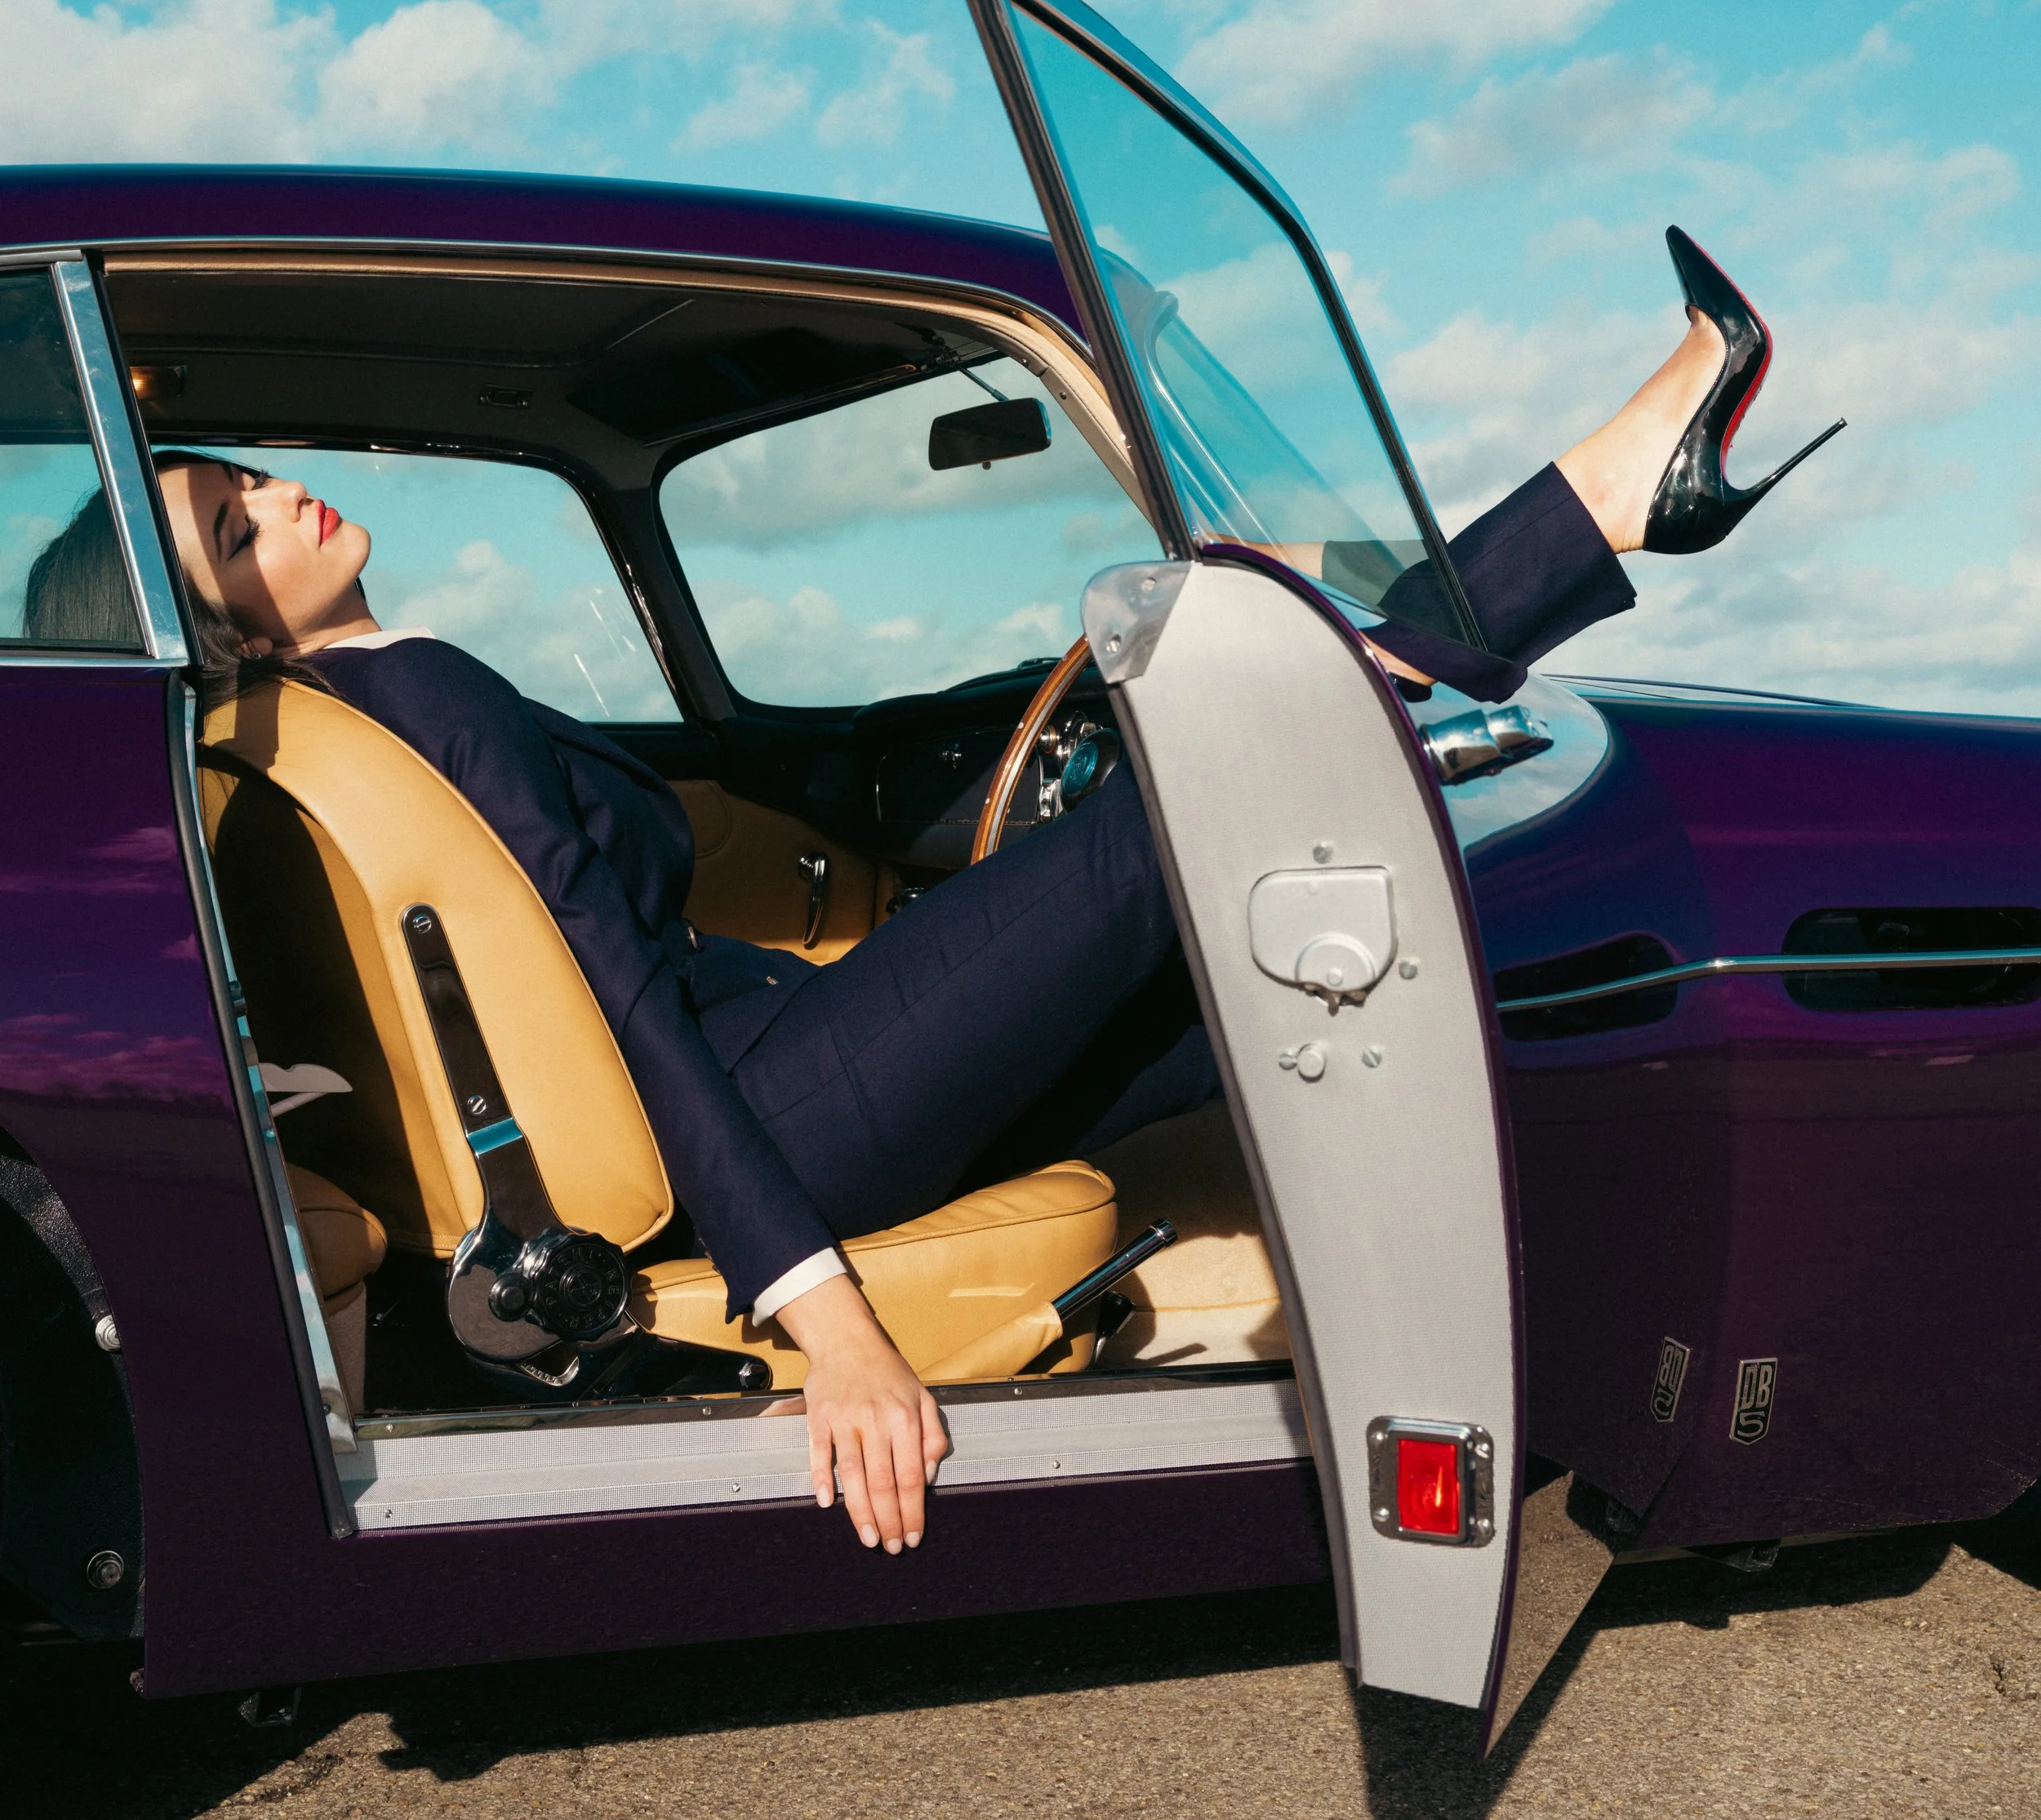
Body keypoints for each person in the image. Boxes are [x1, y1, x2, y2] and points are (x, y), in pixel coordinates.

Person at [23, 226, 1839, 1561]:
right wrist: (832, 1332)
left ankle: (1554, 1310)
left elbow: (646, 870)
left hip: (775, 1056)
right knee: (1194, 800)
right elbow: (617, 982)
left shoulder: (338, 712)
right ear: (225, 617)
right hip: (770, 1114)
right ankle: (1606, 501)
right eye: (235, 527)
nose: (280, 496)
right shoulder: (407, 693)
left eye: (247, 476)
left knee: (1265, 998)